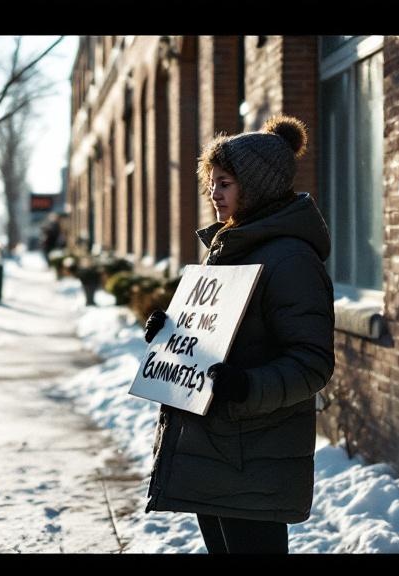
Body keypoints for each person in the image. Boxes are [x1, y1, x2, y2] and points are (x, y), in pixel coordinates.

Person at [142, 115, 335, 554]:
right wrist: (171, 333)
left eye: (224, 182)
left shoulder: (290, 259)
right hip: (217, 449)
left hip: (254, 452)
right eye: (212, 182)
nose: (214, 193)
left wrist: (247, 385)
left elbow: (312, 362)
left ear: (257, 186)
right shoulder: (231, 248)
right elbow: (223, 334)